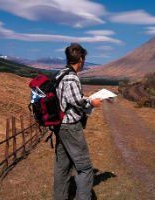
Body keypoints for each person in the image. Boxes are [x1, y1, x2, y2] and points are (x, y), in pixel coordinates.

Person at [54, 43, 101, 200]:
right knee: (85, 168)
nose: (84, 62)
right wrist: (91, 102)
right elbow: (76, 101)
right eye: (84, 59)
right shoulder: (71, 77)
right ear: (80, 59)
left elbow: (68, 99)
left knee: (62, 166)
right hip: (71, 127)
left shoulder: (60, 73)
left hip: (59, 125)